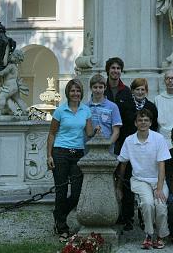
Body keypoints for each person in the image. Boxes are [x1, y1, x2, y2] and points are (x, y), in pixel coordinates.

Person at [46, 79, 94, 241]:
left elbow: (89, 133)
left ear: (81, 93)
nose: (75, 94)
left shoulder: (85, 110)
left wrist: (96, 130)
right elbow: (52, 134)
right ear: (68, 93)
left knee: (77, 193)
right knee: (60, 192)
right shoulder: (60, 111)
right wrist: (49, 155)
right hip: (60, 153)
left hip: (77, 154)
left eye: (78, 91)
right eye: (73, 91)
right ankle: (62, 228)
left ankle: (58, 215)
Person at [117, 109, 171, 249]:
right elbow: (123, 164)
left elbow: (161, 164)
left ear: (151, 123)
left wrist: (159, 188)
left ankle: (161, 235)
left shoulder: (158, 138)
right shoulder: (129, 140)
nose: (143, 122)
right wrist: (119, 186)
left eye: (146, 120)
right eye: (140, 120)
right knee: (147, 204)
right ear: (135, 123)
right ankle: (148, 234)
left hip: (158, 179)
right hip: (140, 180)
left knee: (160, 206)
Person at [115, 78, 159, 231]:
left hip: (146, 149)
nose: (140, 92)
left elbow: (155, 127)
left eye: (143, 89)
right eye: (137, 89)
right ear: (132, 90)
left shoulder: (151, 106)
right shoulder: (125, 105)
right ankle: (128, 217)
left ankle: (143, 218)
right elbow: (120, 126)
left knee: (144, 184)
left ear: (146, 91)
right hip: (130, 147)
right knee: (127, 184)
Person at [86, 74, 122, 150]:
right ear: (90, 88)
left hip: (107, 150)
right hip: (89, 150)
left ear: (105, 88)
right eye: (95, 87)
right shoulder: (85, 107)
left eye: (100, 87)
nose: (98, 90)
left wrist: (107, 145)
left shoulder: (112, 107)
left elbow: (116, 132)